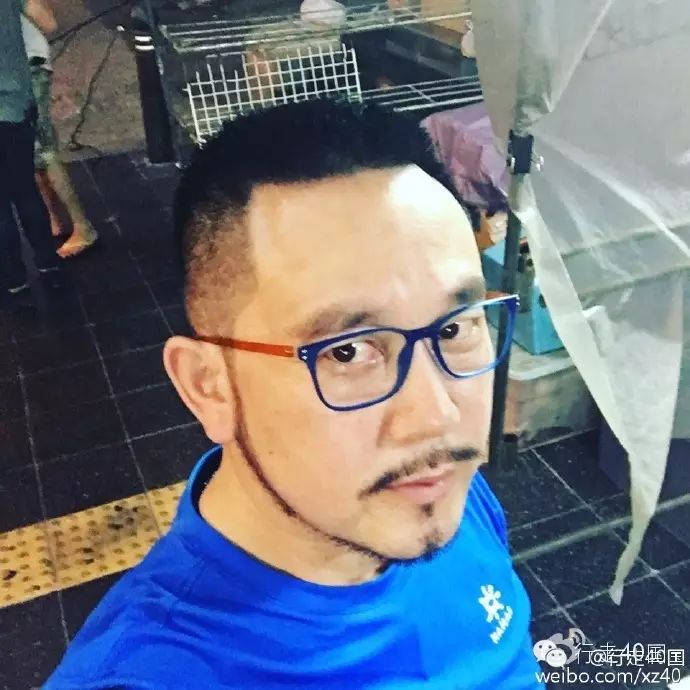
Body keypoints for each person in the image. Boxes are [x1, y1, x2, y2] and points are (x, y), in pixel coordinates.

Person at [46, 99, 543, 689]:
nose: (437, 415)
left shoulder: (438, 488)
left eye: (454, 329)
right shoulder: (154, 674)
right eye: (347, 351)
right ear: (208, 386)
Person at [0, 0, 63, 305]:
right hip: (15, 102)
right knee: (25, 188)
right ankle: (48, 262)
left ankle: (14, 279)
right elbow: (49, 22)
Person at [21, 14, 98, 258]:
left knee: (44, 149)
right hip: (16, 69)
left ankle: (83, 226)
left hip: (27, 67)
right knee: (30, 148)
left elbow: (49, 22)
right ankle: (53, 219)